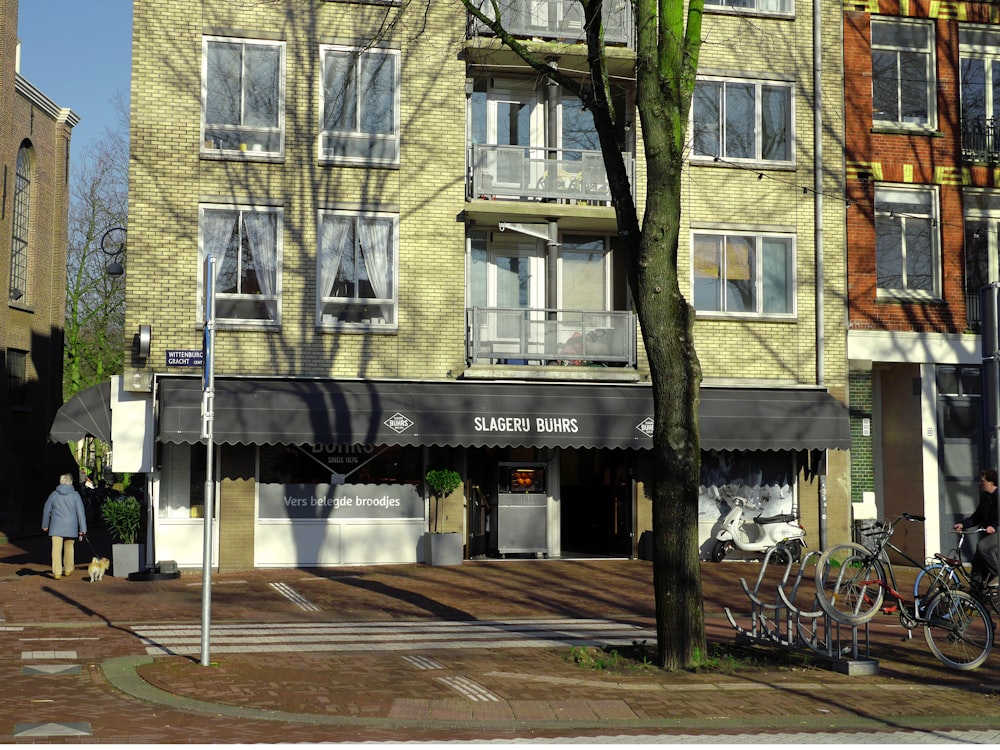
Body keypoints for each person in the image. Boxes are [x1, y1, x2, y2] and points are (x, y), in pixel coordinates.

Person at [953, 468, 1000, 595]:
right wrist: (963, 524)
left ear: (991, 482)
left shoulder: (998, 497)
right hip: (990, 533)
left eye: (982, 481)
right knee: (977, 566)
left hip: (997, 533)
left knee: (983, 547)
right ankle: (975, 598)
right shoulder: (985, 499)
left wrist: (994, 526)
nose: (980, 483)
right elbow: (976, 517)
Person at [41, 473, 88, 579]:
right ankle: (68, 569)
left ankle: (57, 572)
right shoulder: (75, 495)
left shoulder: (54, 494)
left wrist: (45, 524)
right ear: (71, 482)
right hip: (71, 526)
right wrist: (83, 529)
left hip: (56, 526)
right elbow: (80, 513)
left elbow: (47, 509)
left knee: (56, 550)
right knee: (69, 547)